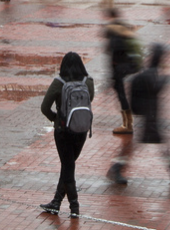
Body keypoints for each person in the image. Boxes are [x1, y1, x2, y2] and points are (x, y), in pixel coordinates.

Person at [107, 44, 170, 186]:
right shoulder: (152, 74)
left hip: (149, 116)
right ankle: (116, 168)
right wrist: (166, 79)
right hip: (148, 118)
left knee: (155, 143)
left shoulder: (150, 72)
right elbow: (155, 87)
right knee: (138, 145)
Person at [39, 51, 94, 216]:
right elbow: (88, 100)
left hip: (63, 131)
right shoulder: (88, 81)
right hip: (81, 130)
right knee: (68, 166)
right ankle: (56, 202)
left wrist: (56, 119)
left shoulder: (59, 82)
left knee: (68, 166)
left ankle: (74, 207)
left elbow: (44, 107)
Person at [104, 8, 138, 135]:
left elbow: (114, 50)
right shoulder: (124, 28)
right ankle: (128, 123)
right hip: (126, 67)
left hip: (120, 69)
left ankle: (127, 125)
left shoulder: (115, 33)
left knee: (121, 95)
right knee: (122, 94)